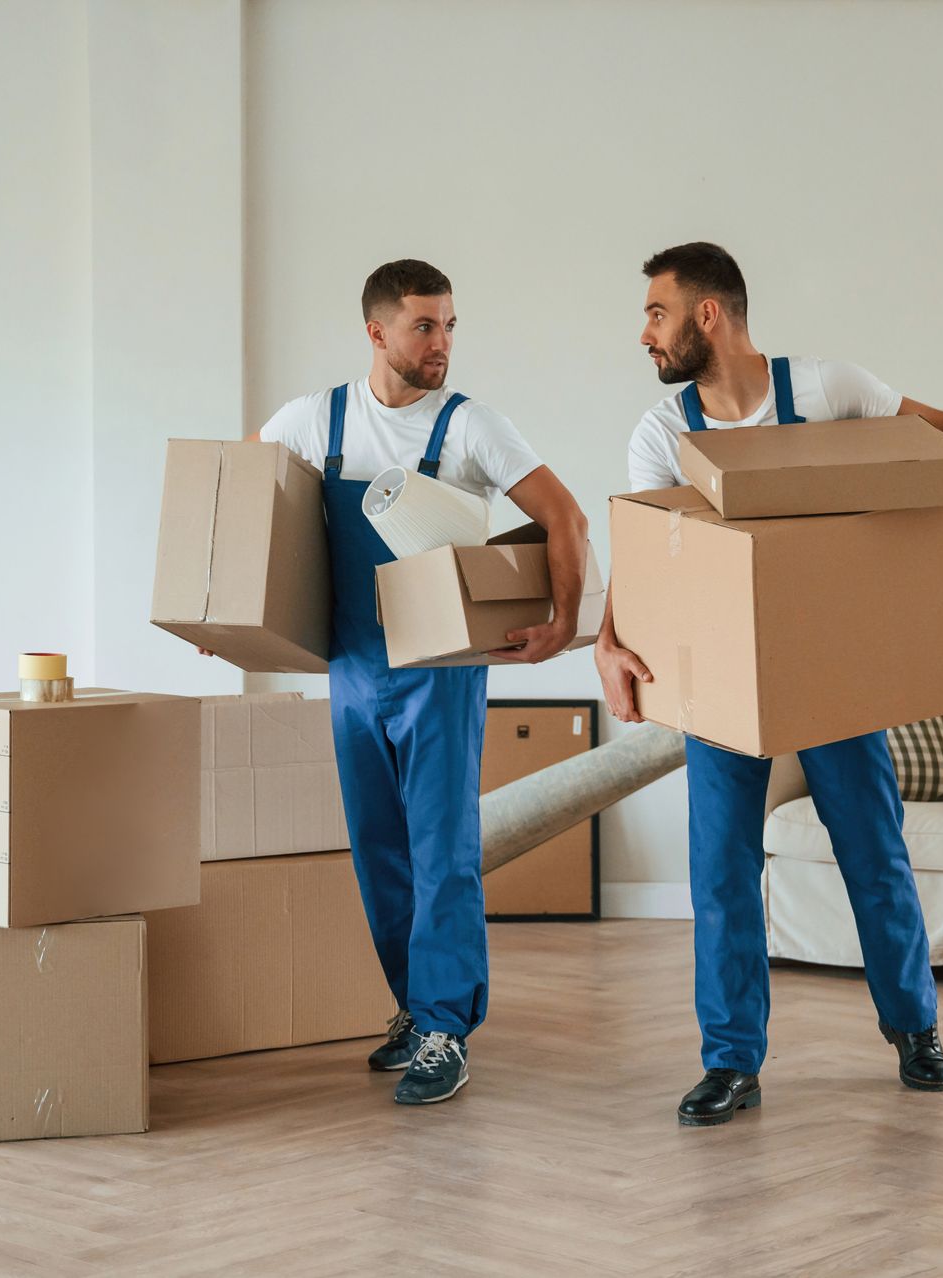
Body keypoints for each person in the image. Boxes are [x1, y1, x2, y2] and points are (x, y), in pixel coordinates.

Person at [595, 242, 943, 1127]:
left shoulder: (824, 390)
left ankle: (914, 1030)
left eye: (657, 313)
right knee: (721, 873)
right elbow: (648, 558)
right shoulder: (661, 435)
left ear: (710, 315)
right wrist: (608, 643)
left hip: (832, 673)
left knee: (875, 853)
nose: (645, 334)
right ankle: (732, 1062)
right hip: (725, 684)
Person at [251, 258, 591, 1105]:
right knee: (378, 850)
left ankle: (448, 1027)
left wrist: (562, 626)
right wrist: (225, 615)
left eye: (448, 327)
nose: (441, 344)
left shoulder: (472, 427)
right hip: (354, 668)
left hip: (440, 673)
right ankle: (411, 1005)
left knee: (444, 852)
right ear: (377, 332)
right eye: (423, 327)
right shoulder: (311, 420)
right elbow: (242, 509)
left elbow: (565, 517)